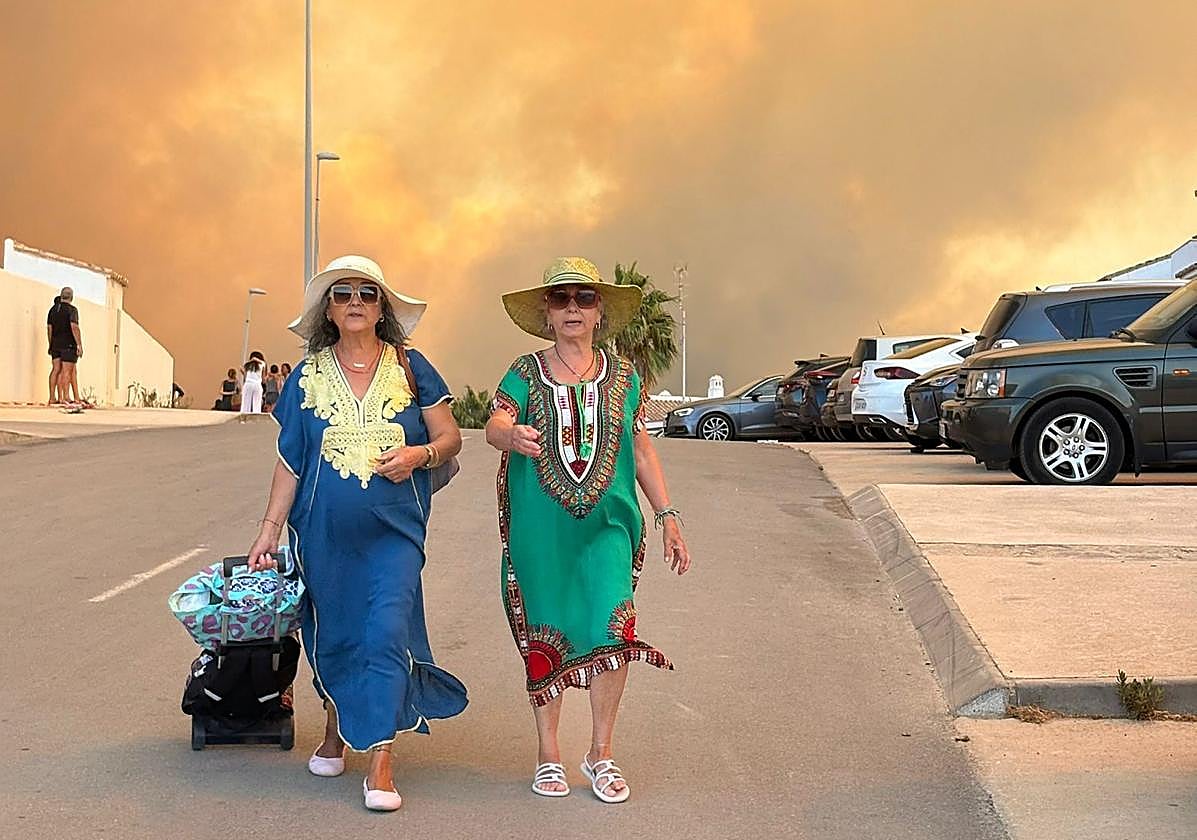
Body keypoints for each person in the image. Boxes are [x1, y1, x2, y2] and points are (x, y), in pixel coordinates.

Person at [246, 254, 467, 812]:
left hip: (396, 532)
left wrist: (421, 453)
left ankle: (382, 761)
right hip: (323, 535)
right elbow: (290, 461)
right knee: (337, 630)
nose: (355, 303)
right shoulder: (307, 376)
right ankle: (334, 730)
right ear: (328, 308)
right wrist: (269, 529)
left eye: (367, 294)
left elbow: (450, 437)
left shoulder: (413, 367)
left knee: (386, 631)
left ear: (381, 307)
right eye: (342, 294)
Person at [485, 257, 691, 804]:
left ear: (600, 312)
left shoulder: (625, 377)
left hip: (609, 528)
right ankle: (548, 754)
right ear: (546, 315)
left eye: (584, 298)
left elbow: (641, 447)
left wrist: (667, 515)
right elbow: (495, 421)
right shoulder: (524, 372)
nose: (573, 308)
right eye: (561, 300)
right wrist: (510, 436)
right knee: (544, 634)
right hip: (541, 532)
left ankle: (601, 752)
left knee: (613, 629)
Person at [46, 288, 82, 404]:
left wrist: (51, 343)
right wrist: (79, 344)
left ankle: (52, 397)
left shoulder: (52, 310)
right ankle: (66, 397)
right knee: (67, 370)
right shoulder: (72, 310)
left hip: (55, 344)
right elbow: (74, 327)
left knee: (55, 369)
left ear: (61, 296)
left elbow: (49, 328)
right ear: (71, 297)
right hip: (68, 344)